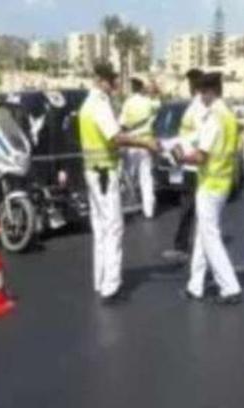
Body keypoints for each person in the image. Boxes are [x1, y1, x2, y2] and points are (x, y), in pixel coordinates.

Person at [79, 64, 157, 303]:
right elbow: (115, 138)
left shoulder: (87, 104)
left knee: (101, 229)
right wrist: (145, 143)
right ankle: (111, 288)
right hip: (104, 173)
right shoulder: (100, 105)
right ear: (102, 81)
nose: (115, 84)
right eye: (112, 80)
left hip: (92, 172)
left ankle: (100, 280)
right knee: (113, 228)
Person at [175, 72, 243, 305]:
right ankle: (195, 286)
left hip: (210, 184)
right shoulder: (229, 115)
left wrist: (181, 158)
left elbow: (201, 156)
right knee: (203, 236)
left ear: (212, 91)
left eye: (203, 92)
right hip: (222, 182)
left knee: (211, 238)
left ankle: (230, 287)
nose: (200, 97)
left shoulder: (214, 118)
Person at [162, 68, 206, 264]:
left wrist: (182, 152)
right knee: (189, 207)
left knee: (190, 207)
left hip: (194, 165)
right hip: (188, 164)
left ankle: (185, 248)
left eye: (191, 82)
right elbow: (186, 136)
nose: (189, 86)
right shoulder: (194, 106)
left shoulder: (200, 108)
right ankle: (187, 246)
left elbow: (200, 138)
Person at [120, 77, 160, 219]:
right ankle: (149, 210)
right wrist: (154, 88)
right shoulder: (149, 103)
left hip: (132, 143)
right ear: (142, 87)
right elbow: (158, 101)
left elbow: (122, 124)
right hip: (146, 143)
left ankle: (130, 204)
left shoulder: (127, 103)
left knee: (130, 175)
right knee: (146, 177)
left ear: (133, 87)